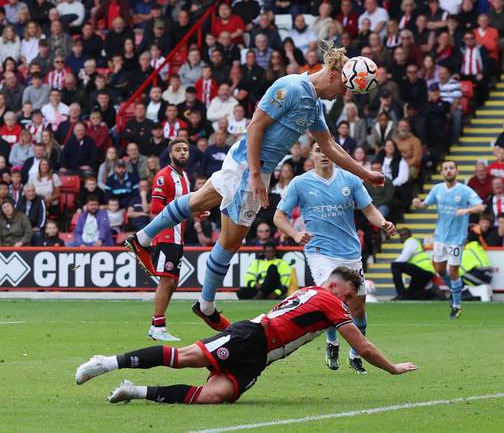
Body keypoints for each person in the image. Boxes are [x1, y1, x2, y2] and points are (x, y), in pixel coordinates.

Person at [125, 43, 385, 332]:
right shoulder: (292, 87)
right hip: (250, 166)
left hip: (247, 164)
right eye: (344, 89)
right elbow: (255, 127)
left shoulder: (312, 104)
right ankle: (206, 304)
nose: (341, 95)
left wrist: (365, 174)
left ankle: (143, 238)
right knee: (230, 242)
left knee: (199, 201)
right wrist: (256, 175)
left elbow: (329, 145)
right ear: (336, 75)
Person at [75, 267, 418, 404]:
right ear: (333, 287)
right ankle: (104, 363)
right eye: (346, 295)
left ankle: (134, 391)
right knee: (184, 359)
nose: (346, 303)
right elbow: (362, 344)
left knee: (215, 396)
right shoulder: (328, 299)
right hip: (254, 338)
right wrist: (392, 368)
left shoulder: (314, 294)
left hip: (260, 353)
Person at [274, 142, 395, 374]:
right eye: (319, 150)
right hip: (320, 251)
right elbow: (279, 217)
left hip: (350, 252)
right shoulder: (300, 183)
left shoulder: (350, 180)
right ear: (312, 155)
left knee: (358, 308)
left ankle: (355, 354)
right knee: (330, 299)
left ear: (336, 154)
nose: (324, 154)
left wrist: (383, 223)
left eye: (327, 150)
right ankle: (332, 342)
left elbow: (369, 209)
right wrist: (295, 233)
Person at [412, 161, 485, 318]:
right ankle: (458, 289)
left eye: (451, 168)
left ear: (457, 171)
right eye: (446, 168)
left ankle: (457, 305)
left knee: (453, 270)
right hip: (440, 237)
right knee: (439, 269)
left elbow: (481, 207)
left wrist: (467, 210)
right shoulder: (437, 189)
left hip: (456, 238)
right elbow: (425, 204)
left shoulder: (464, 191)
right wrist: (418, 204)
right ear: (442, 173)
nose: (449, 171)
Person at [146, 139, 192, 342]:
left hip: (178, 236)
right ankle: (158, 326)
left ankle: (155, 325)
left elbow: (187, 205)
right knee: (166, 281)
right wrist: (180, 208)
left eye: (185, 150)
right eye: (178, 150)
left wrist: (197, 212)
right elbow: (155, 209)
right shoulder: (164, 177)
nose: (183, 153)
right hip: (165, 236)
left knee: (172, 283)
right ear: (170, 154)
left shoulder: (184, 176)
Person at [391, 228, 435, 300]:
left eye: (402, 235)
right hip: (426, 272)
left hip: (423, 270)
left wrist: (394, 263)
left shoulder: (410, 241)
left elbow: (403, 258)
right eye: (400, 236)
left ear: (409, 235)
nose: (401, 238)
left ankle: (401, 294)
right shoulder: (415, 242)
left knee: (395, 265)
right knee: (410, 296)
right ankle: (433, 295)